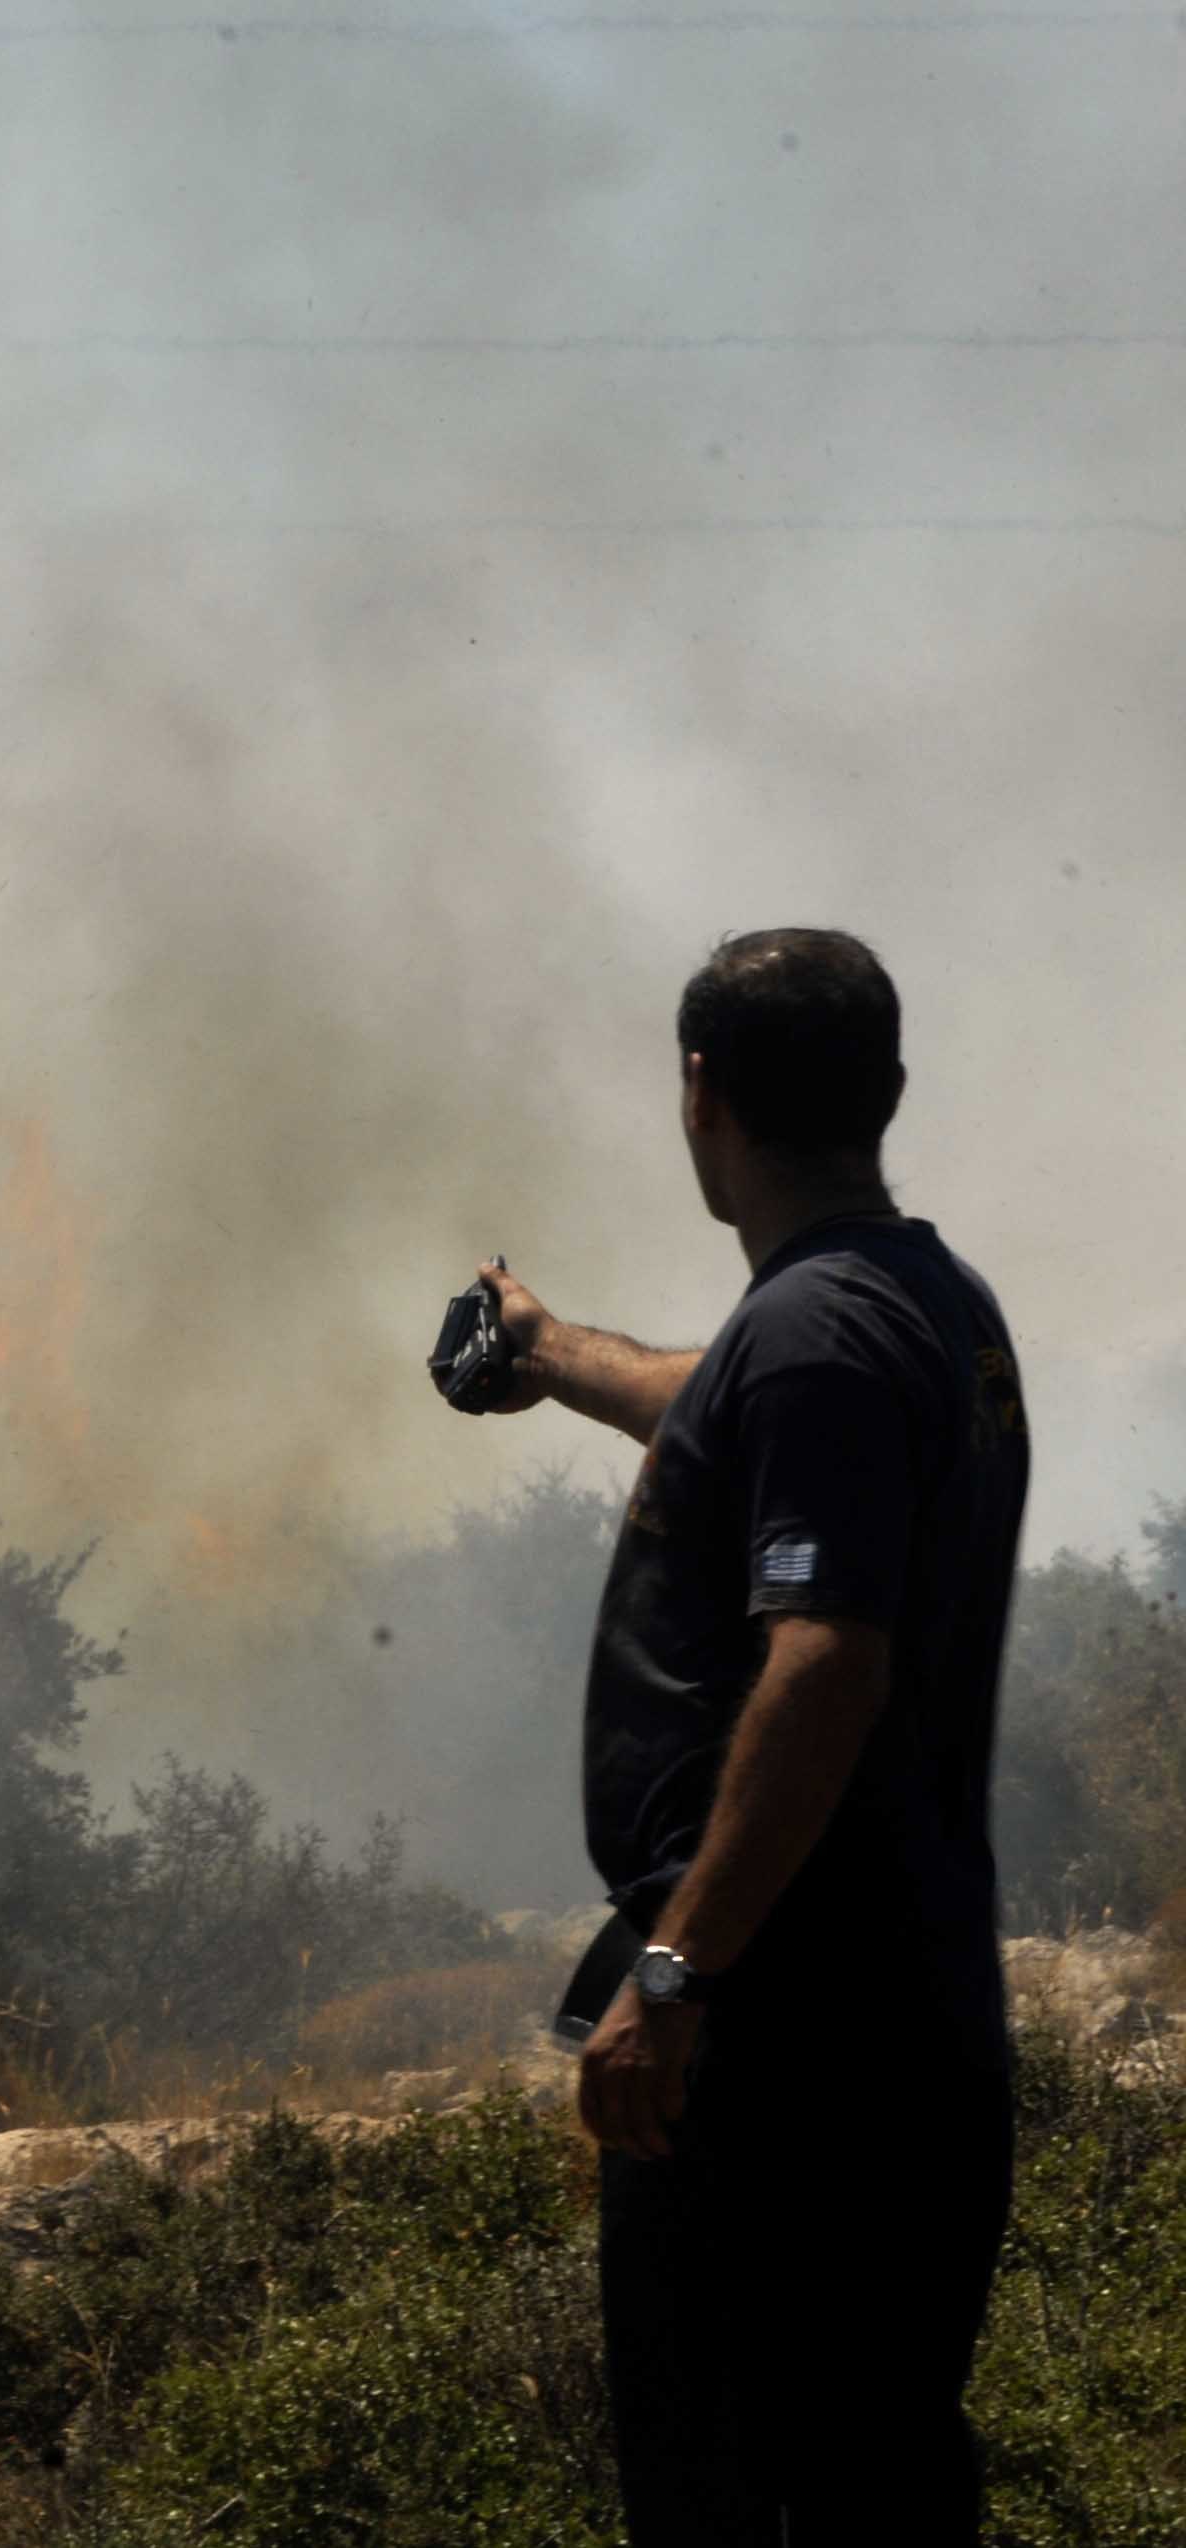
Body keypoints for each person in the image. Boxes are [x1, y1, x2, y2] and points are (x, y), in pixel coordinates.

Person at [468, 927, 1026, 2546]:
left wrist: (675, 1976)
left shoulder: (813, 1345)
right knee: (877, 2484)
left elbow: (826, 1661)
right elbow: (723, 1400)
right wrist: (549, 1349)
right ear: (891, 1090)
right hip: (906, 2021)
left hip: (786, 2050)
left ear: (697, 1092)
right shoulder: (920, 1306)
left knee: (736, 2503)